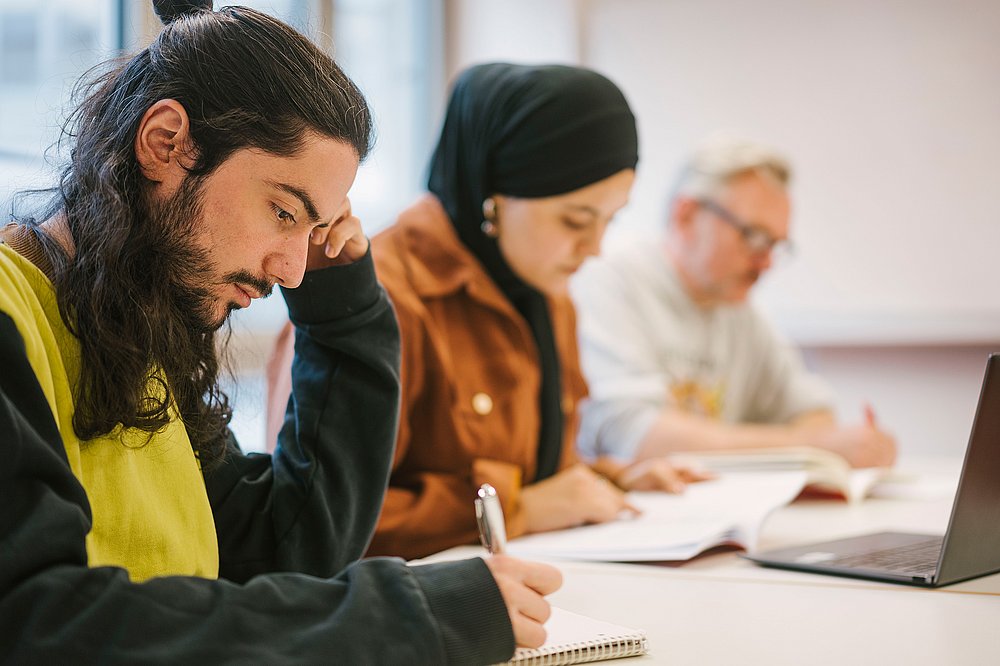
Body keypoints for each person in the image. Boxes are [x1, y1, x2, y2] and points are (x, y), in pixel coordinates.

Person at [0, 2, 561, 663]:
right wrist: (409, 615)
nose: (293, 270)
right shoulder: (15, 320)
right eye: (283, 211)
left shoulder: (126, 325)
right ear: (166, 142)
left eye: (314, 228)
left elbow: (286, 551)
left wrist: (343, 313)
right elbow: (36, 620)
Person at [267, 62, 706, 562]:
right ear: (492, 197)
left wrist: (614, 477)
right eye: (576, 220)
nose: (595, 248)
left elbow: (533, 463)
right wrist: (516, 508)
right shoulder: (375, 296)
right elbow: (309, 523)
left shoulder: (543, 293)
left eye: (610, 220)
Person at [571, 134, 897, 468]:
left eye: (775, 245)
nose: (766, 262)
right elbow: (634, 438)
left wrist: (820, 442)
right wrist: (807, 445)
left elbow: (815, 415)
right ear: (686, 215)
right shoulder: (608, 277)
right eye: (754, 237)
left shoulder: (739, 311)